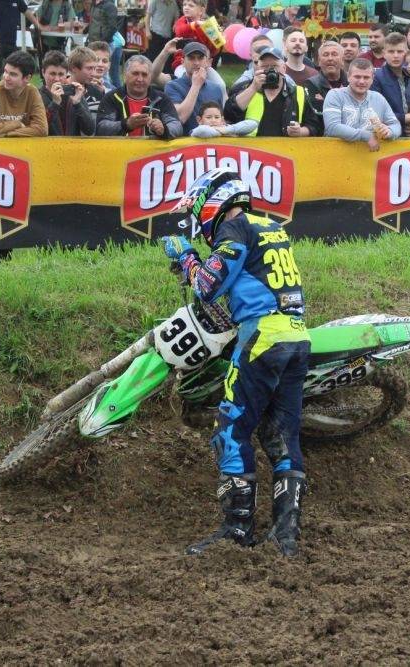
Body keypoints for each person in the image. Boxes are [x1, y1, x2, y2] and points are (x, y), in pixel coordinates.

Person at [163, 167, 312, 557]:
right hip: (297, 336)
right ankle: (285, 538)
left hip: (262, 337)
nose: (198, 222)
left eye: (197, 211)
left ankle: (236, 531)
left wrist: (186, 256)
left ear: (212, 204)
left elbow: (207, 287)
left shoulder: (235, 229)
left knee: (230, 432)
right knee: (283, 437)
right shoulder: (272, 227)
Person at [225, 46, 318, 138]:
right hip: (252, 146)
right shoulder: (245, 88)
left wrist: (300, 131)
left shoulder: (298, 93)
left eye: (274, 66)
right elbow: (229, 114)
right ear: (257, 69)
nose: (270, 70)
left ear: (284, 68)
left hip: (285, 147)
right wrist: (253, 88)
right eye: (264, 66)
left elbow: (314, 125)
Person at [323, 58, 400, 151]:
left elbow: (396, 125)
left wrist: (389, 132)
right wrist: (366, 136)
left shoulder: (378, 98)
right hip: (336, 155)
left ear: (372, 79)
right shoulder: (335, 95)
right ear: (348, 76)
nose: (361, 81)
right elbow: (332, 128)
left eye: (366, 77)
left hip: (371, 157)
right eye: (357, 77)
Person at [97, 54, 181, 137]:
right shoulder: (112, 97)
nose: (140, 79)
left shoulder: (161, 99)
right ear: (125, 75)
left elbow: (177, 126)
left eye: (144, 74)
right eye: (135, 73)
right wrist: (126, 124)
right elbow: (101, 128)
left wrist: (164, 129)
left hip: (152, 146)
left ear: (150, 77)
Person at [0, 50, 48, 136]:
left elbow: (41, 129)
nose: (6, 77)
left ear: (27, 78)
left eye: (13, 74)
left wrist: (8, 134)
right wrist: (17, 124)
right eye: (5, 72)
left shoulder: (32, 92)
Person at [164, 41, 224, 135]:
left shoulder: (216, 88)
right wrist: (196, 85)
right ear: (182, 62)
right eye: (191, 58)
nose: (196, 63)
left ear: (207, 62)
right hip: (184, 142)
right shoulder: (172, 86)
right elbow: (180, 117)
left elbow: (220, 120)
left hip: (211, 140)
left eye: (200, 58)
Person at [39, 49, 93, 135]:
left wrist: (77, 104)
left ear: (66, 74)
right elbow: (39, 128)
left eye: (61, 74)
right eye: (52, 74)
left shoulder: (73, 93)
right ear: (43, 72)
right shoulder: (37, 96)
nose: (57, 79)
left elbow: (89, 130)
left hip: (73, 143)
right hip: (47, 143)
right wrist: (54, 104)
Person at [303, 39, 346, 128]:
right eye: (326, 55)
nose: (330, 58)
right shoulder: (311, 84)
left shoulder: (351, 83)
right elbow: (313, 118)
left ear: (342, 60)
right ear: (319, 60)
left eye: (334, 54)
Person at [87, 0, 120, 88]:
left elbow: (112, 27)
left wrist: (103, 41)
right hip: (94, 43)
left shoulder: (109, 6)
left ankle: (115, 93)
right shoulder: (94, 4)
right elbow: (94, 22)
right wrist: (85, 30)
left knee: (107, 75)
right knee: (95, 73)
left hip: (106, 45)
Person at [69, 46, 104, 121]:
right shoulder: (61, 92)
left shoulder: (96, 91)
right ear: (73, 68)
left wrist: (104, 95)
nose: (93, 73)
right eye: (89, 68)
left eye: (94, 68)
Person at [188, 99, 256, 137]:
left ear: (222, 120)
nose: (213, 120)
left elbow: (253, 124)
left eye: (217, 117)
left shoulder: (226, 129)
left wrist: (227, 130)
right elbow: (203, 131)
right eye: (208, 117)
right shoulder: (195, 131)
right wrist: (225, 133)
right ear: (199, 120)